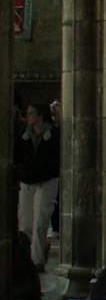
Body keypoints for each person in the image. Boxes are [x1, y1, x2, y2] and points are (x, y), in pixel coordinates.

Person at [14, 101, 60, 271]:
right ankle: (26, 260)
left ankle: (37, 262)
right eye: (28, 113)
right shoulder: (23, 135)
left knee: (40, 220)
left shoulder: (52, 135)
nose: (28, 116)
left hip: (46, 181)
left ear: (40, 115)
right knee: (25, 224)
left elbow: (56, 157)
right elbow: (17, 156)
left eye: (32, 113)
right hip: (27, 181)